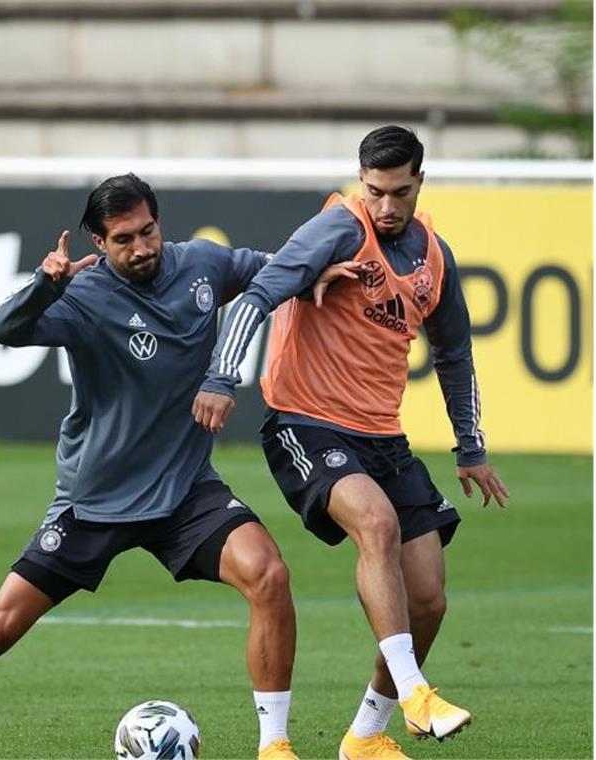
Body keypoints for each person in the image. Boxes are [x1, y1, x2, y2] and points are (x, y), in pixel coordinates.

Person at [0, 174, 301, 760]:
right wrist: (44, 286)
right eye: (123, 239)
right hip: (93, 500)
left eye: (148, 230)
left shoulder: (202, 263)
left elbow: (278, 269)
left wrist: (330, 265)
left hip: (184, 491)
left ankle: (275, 746)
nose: (142, 248)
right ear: (99, 244)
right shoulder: (83, 297)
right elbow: (4, 328)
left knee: (269, 575)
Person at [193, 126, 510, 760]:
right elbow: (258, 297)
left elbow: (453, 353)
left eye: (399, 193)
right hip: (305, 425)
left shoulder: (435, 258)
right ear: (360, 181)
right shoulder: (336, 231)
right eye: (375, 192)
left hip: (383, 439)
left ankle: (365, 737)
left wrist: (470, 445)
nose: (387, 207)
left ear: (419, 182)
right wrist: (221, 379)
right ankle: (417, 693)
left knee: (429, 597)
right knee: (377, 524)